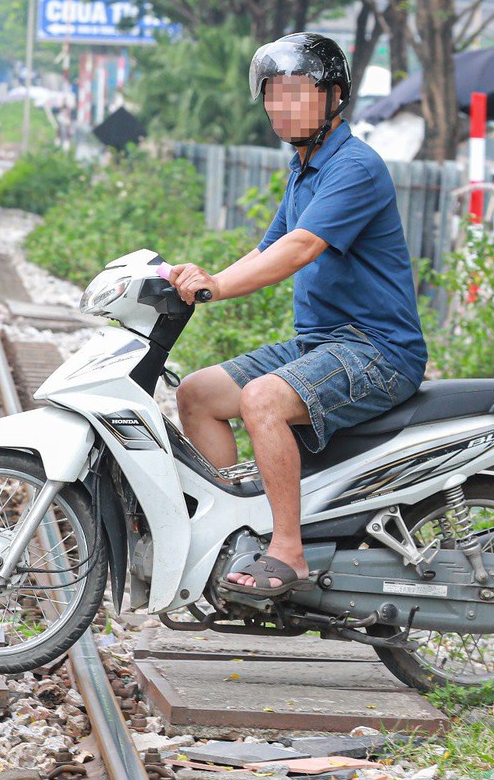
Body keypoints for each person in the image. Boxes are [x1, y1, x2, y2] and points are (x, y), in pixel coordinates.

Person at [167, 33, 427, 598]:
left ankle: (288, 551)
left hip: (376, 349)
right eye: (272, 94)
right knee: (197, 394)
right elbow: (267, 247)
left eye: (295, 92)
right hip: (322, 343)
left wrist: (215, 289)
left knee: (261, 398)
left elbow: (301, 248)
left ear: (334, 95)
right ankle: (240, 529)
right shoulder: (304, 167)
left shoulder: (355, 166)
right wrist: (202, 281)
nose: (280, 106)